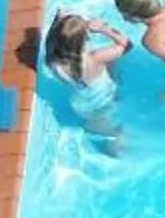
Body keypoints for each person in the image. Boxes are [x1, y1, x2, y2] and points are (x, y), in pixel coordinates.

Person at [41, 11, 130, 152]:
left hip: (80, 103)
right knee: (118, 131)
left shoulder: (53, 61)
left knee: (98, 121)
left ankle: (96, 128)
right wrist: (103, 28)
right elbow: (127, 45)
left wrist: (58, 23)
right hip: (102, 99)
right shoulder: (95, 58)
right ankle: (116, 153)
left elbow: (50, 40)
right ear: (86, 38)